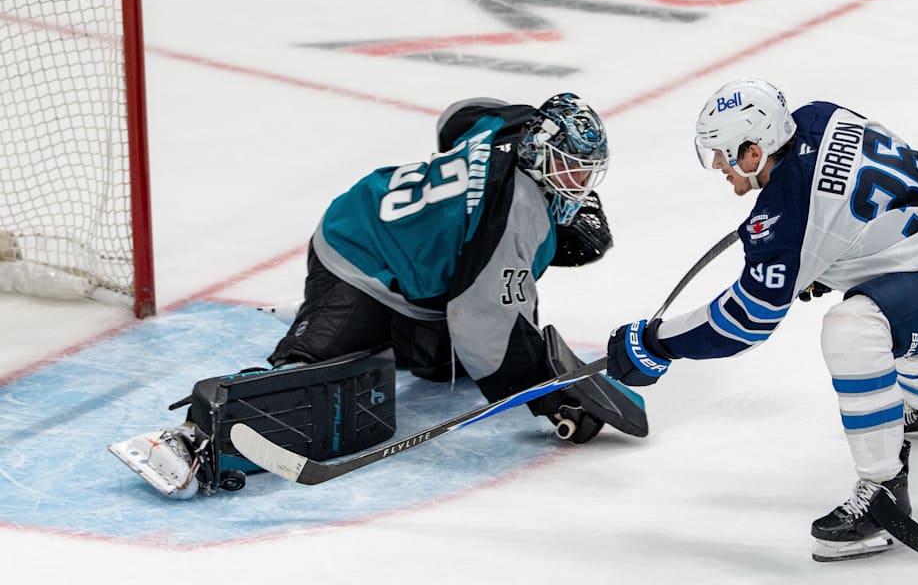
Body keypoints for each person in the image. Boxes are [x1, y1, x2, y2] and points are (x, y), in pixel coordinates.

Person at [112, 93, 648, 499]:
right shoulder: (520, 212)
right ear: (539, 151)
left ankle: (395, 337)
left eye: (585, 170)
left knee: (443, 368)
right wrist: (548, 396)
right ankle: (190, 441)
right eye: (568, 167)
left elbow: (462, 117)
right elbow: (483, 326)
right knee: (317, 381)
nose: (577, 183)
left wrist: (453, 206)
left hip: (414, 273)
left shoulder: (515, 125)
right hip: (358, 254)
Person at [605, 78, 918, 561]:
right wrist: (822, 260)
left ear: (753, 150)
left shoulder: (788, 218)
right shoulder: (820, 115)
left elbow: (746, 320)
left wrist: (659, 344)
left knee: (856, 328)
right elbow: (851, 210)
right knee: (893, 301)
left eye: (724, 155)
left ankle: (883, 494)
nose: (720, 167)